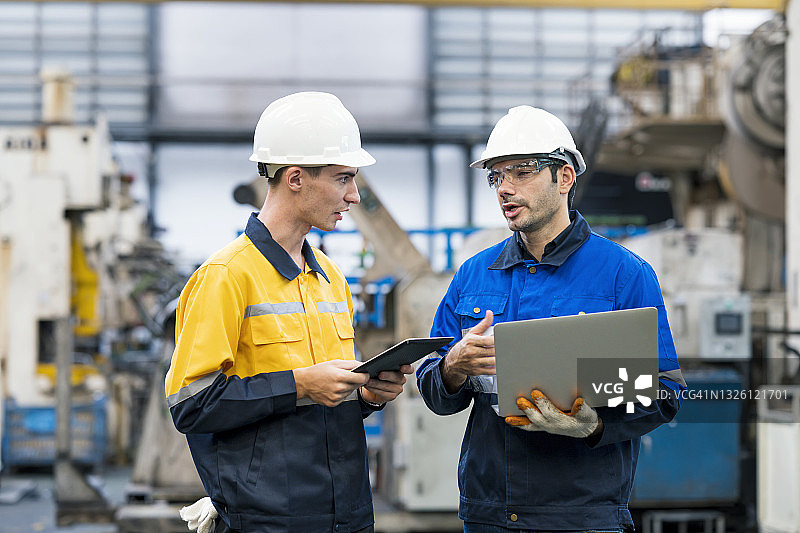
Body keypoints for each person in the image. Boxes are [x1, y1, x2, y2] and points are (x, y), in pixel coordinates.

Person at [416, 105, 686, 532]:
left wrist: (592, 423)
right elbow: (433, 388)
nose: (504, 188)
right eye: (496, 176)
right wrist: (452, 367)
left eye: (521, 172)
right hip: (490, 514)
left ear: (564, 177)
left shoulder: (623, 275)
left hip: (583, 514)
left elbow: (663, 392)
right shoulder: (473, 275)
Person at [165, 91, 413, 533]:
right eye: (343, 179)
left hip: (349, 512)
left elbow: (324, 399)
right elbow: (191, 406)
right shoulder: (226, 275)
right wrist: (301, 385)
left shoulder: (330, 278)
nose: (354, 196)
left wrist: (365, 394)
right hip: (268, 518)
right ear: (295, 178)